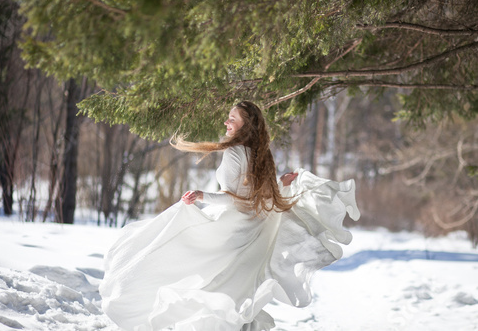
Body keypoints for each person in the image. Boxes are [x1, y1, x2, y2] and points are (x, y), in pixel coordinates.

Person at [99, 101, 360, 331]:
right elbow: (258, 197)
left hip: (234, 230)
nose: (226, 122)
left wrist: (203, 196)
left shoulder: (235, 152)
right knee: (233, 288)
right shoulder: (261, 154)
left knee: (187, 261)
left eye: (232, 119)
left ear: (245, 126)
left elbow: (238, 199)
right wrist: (281, 183)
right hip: (253, 231)